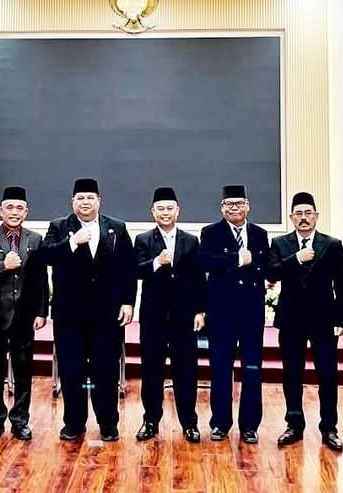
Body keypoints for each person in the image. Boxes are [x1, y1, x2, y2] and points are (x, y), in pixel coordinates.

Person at [38, 178, 136, 442]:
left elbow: (128, 268)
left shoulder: (117, 228)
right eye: (80, 198)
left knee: (106, 370)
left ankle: (108, 423)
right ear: (73, 202)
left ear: (99, 201)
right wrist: (72, 242)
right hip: (69, 315)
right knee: (72, 370)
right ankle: (74, 422)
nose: (85, 202)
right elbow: (45, 256)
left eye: (90, 198)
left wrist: (128, 302)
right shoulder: (59, 227)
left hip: (107, 314)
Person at [267, 192, 343, 451]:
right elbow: (271, 272)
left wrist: (341, 318)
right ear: (292, 218)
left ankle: (329, 427)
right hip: (291, 318)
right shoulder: (280, 243)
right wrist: (296, 259)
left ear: (316, 216)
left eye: (308, 213)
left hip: (323, 318)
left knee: (328, 374)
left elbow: (341, 284)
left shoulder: (332, 244)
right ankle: (294, 424)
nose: (303, 218)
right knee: (292, 373)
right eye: (298, 214)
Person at [0, 186, 49, 441]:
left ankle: (20, 420)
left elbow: (40, 279)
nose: (14, 212)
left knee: (23, 369)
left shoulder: (35, 239)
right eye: (10, 207)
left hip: (24, 314)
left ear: (26, 212)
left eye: (19, 208)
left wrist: (41, 312)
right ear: (0, 210)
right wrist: (1, 266)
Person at [133, 187, 205, 443]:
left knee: (186, 371)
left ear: (178, 211)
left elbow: (198, 278)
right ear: (153, 212)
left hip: (184, 316)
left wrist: (200, 310)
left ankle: (189, 422)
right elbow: (136, 271)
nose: (165, 212)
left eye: (169, 208)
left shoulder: (191, 240)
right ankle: (150, 421)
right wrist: (156, 262)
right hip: (153, 317)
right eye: (160, 209)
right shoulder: (143, 240)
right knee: (151, 370)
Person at [198, 185, 269, 444]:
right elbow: (205, 262)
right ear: (222, 208)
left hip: (251, 313)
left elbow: (265, 266)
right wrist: (237, 259)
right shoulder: (210, 232)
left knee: (252, 368)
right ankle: (220, 422)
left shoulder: (260, 234)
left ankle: (250, 425)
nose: (234, 207)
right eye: (229, 203)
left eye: (239, 203)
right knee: (220, 368)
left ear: (248, 206)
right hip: (222, 312)